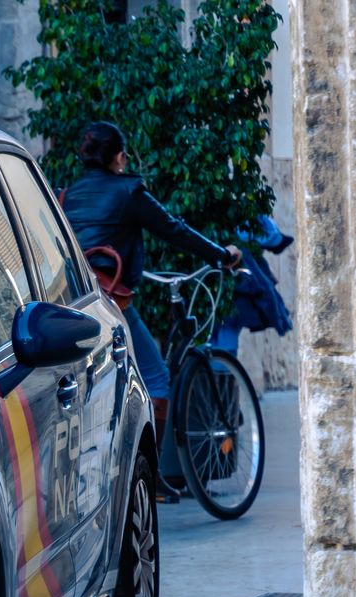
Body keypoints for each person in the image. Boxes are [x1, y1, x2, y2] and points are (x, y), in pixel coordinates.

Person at [59, 121, 241, 492]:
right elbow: (174, 229)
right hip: (113, 303)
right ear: (119, 158)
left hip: (76, 302)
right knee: (157, 376)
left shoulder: (68, 196)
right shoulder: (129, 191)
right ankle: (151, 477)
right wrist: (222, 255)